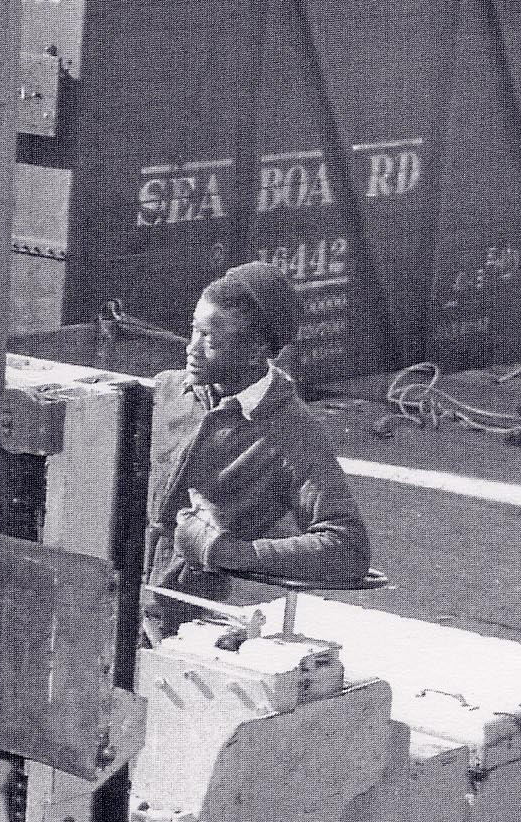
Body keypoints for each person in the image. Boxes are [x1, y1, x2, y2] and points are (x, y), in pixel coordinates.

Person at [144, 260, 371, 636]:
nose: (191, 349)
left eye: (210, 340)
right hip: (104, 596)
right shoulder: (166, 391)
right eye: (194, 331)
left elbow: (347, 549)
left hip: (189, 625)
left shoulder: (291, 434)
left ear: (257, 350)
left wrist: (227, 552)